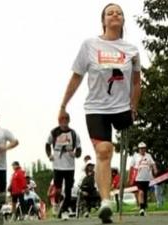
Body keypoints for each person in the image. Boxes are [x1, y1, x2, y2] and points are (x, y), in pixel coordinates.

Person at [58, 3, 141, 224]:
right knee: (104, 150)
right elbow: (76, 77)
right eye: (110, 13)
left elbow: (136, 81)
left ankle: (108, 197)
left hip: (122, 107)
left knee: (119, 150)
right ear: (103, 20)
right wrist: (63, 105)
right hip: (96, 108)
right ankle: (106, 202)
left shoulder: (132, 50)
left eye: (119, 13)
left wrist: (134, 105)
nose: (115, 15)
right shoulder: (89, 45)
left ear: (123, 21)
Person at [45, 112, 81, 220]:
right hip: (57, 166)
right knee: (58, 190)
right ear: (59, 121)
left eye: (66, 119)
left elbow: (79, 149)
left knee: (69, 189)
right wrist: (49, 155)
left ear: (69, 120)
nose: (64, 121)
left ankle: (65, 210)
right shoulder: (54, 132)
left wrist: (75, 154)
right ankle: (56, 204)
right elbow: (47, 144)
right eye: (62, 119)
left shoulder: (74, 134)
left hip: (70, 166)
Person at [129, 142, 157, 216]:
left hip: (147, 178)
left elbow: (153, 163)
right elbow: (131, 167)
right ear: (139, 149)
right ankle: (141, 208)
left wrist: (155, 169)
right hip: (138, 178)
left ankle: (143, 208)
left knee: (144, 193)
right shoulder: (135, 156)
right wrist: (130, 177)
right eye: (141, 148)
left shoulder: (148, 156)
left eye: (144, 148)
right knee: (141, 192)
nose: (142, 150)